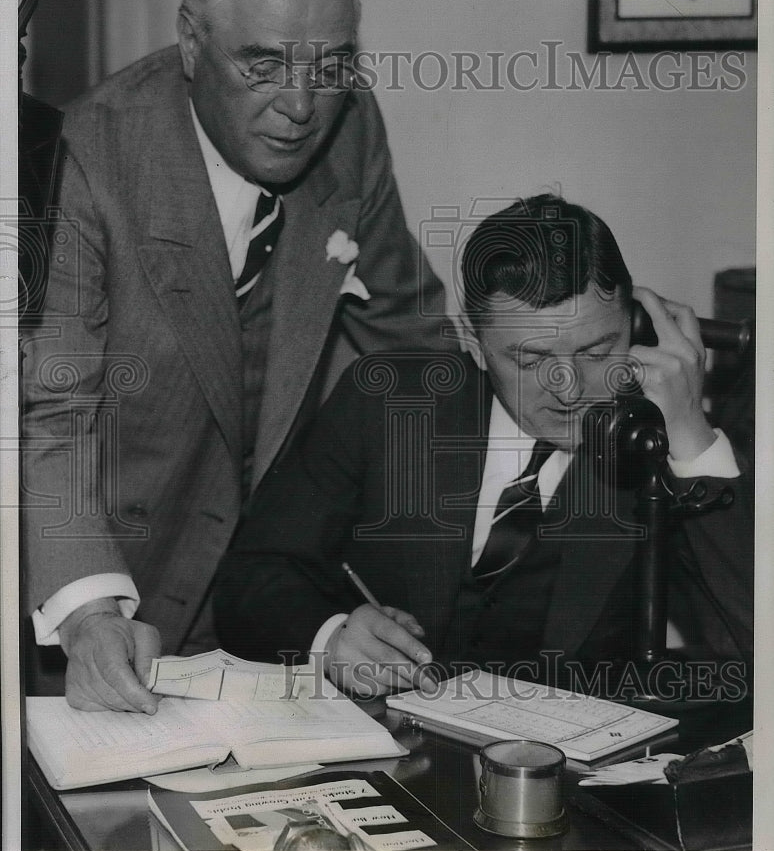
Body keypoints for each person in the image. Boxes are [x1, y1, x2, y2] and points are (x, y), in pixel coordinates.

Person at [22, 0, 453, 713]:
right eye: (263, 63)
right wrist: (86, 614)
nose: (300, 105)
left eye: (329, 66)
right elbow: (50, 416)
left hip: (261, 608)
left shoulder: (350, 130)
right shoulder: (83, 156)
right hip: (103, 598)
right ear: (191, 43)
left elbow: (416, 342)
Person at [213, 195, 752, 698]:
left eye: (596, 350)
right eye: (530, 360)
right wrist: (329, 638)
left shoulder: (659, 447)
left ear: (635, 329)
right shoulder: (385, 403)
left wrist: (692, 440)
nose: (567, 387)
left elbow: (753, 644)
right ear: (472, 341)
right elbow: (251, 576)